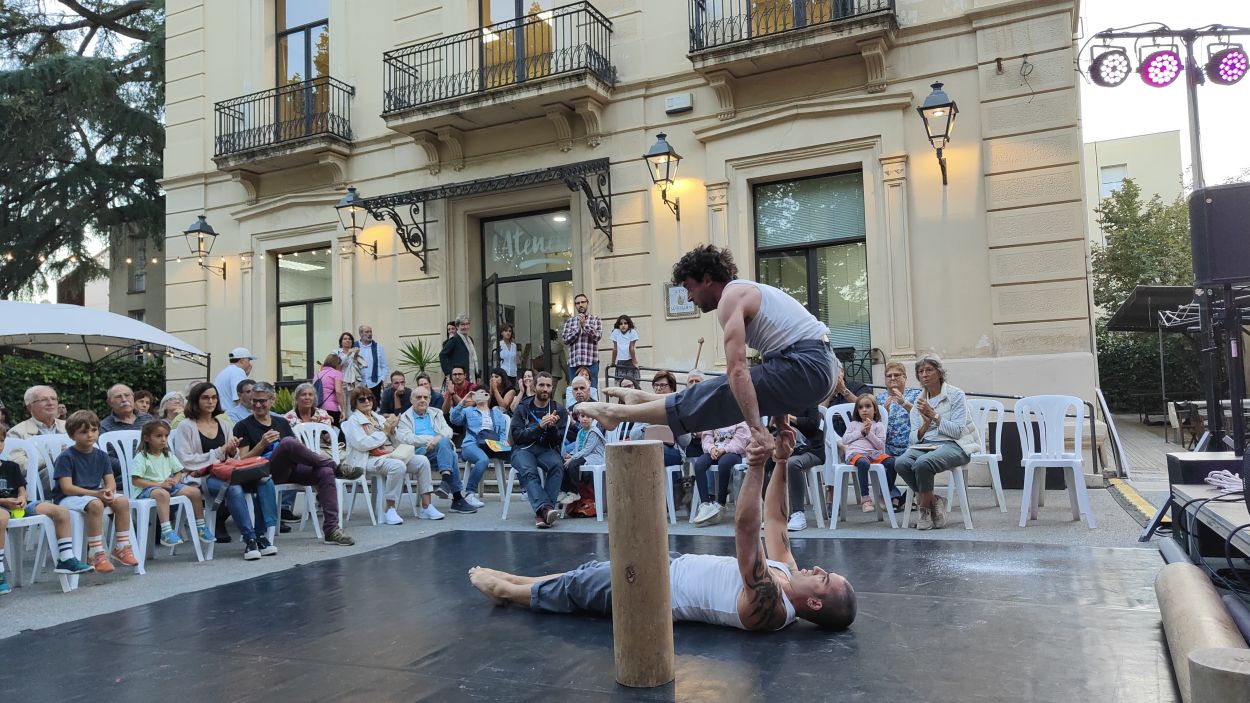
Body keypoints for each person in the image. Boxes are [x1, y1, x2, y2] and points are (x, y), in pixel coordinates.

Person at [469, 422, 857, 632]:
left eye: (824, 579)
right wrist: (783, 460)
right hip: (673, 564)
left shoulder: (771, 606)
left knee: (578, 589)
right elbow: (775, 520)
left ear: (816, 603)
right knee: (584, 574)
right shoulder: (787, 575)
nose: (818, 569)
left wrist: (756, 466)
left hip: (655, 590)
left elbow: (746, 532)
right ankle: (515, 581)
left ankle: (506, 591)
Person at [580, 245, 837, 460]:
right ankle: (644, 400)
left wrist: (757, 429)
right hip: (816, 368)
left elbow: (737, 371)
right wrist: (781, 425)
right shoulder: (748, 293)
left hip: (809, 366)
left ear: (706, 278)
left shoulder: (731, 298)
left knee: (724, 390)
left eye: (689, 288)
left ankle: (619, 413)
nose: (689, 297)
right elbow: (772, 366)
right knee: (732, 392)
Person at [233, 382, 354, 546]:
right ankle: (335, 466)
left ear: (272, 400)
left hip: (290, 469)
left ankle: (332, 530)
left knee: (325, 473)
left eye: (262, 401)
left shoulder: (281, 422)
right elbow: (243, 460)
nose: (258, 405)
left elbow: (297, 451)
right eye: (254, 401)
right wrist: (261, 445)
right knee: (288, 442)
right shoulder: (243, 426)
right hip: (264, 471)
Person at [172, 382, 278, 560]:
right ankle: (249, 538)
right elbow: (185, 460)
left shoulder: (223, 423)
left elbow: (234, 459)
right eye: (205, 397)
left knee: (265, 480)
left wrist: (231, 450)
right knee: (233, 488)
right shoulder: (186, 426)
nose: (211, 401)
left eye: (214, 397)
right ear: (195, 401)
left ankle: (261, 534)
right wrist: (221, 451)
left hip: (228, 471)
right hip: (202, 476)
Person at [0, 423, 95, 591]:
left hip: (19, 505)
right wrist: (4, 502)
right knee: (2, 517)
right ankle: (0, 571)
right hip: (3, 508)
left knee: (60, 511)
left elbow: (22, 490)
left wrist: (21, 498)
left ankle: (66, 558)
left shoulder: (10, 466)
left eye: (0, 441)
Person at [893, 354, 977, 531]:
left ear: (939, 373)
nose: (924, 374)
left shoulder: (956, 395)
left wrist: (935, 416)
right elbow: (913, 438)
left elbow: (957, 431)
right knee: (901, 463)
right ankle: (934, 501)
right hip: (925, 445)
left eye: (929, 370)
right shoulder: (919, 401)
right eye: (920, 371)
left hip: (955, 444)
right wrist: (925, 424)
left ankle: (924, 511)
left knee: (923, 464)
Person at [51, 410, 139, 573]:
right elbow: (67, 488)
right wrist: (96, 494)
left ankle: (122, 547)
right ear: (72, 435)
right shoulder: (66, 457)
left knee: (122, 501)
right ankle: (96, 553)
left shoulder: (101, 455)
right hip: (67, 498)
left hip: (93, 494)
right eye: (83, 432)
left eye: (93, 430)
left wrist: (108, 491)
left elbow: (110, 481)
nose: (90, 435)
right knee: (96, 505)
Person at [342, 387, 442, 524]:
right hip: (367, 458)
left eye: (369, 398)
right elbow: (362, 444)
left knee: (422, 461)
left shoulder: (378, 417)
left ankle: (426, 506)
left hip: (389, 454)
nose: (367, 401)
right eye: (362, 399)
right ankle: (389, 508)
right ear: (355, 403)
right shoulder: (353, 421)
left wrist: (393, 430)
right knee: (397, 466)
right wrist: (384, 432)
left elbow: (396, 441)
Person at [130, 420, 212, 546]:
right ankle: (166, 532)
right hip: (146, 489)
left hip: (166, 486)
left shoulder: (167, 455)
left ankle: (200, 526)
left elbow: (179, 472)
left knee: (195, 492)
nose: (163, 439)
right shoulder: (142, 457)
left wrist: (175, 480)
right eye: (158, 436)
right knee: (162, 494)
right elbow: (136, 481)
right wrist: (159, 485)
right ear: (146, 438)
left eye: (166, 436)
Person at [397, 386, 476, 514]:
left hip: (438, 452)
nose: (422, 400)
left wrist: (437, 441)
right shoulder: (405, 418)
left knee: (447, 447)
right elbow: (407, 438)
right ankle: (456, 497)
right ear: (411, 400)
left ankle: (447, 480)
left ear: (430, 399)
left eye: (425, 397)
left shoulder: (436, 413)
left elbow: (448, 431)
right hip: (419, 454)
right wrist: (433, 440)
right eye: (418, 397)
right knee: (451, 453)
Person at [509, 372, 567, 529]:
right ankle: (546, 509)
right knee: (529, 471)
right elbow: (517, 436)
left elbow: (557, 441)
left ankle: (542, 512)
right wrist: (539, 426)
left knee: (557, 465)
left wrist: (552, 428)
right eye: (541, 385)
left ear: (552, 388)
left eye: (548, 386)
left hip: (545, 449)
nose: (545, 389)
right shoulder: (522, 408)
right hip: (522, 450)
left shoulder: (558, 410)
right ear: (534, 387)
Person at [876, 361, 922, 510]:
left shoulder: (916, 394)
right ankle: (892, 496)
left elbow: (921, 418)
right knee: (883, 460)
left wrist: (904, 403)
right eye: (888, 375)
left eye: (897, 375)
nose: (892, 378)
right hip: (887, 445)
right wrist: (884, 413)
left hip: (911, 444)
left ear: (905, 377)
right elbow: (875, 427)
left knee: (918, 460)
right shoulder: (878, 399)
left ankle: (911, 496)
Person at [838, 394, 894, 514]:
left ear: (874, 410)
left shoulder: (879, 426)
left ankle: (884, 495)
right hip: (856, 454)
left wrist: (869, 433)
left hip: (874, 454)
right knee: (863, 463)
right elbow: (845, 440)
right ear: (857, 411)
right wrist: (861, 432)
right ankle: (865, 499)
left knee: (892, 462)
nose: (864, 410)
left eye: (868, 406)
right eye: (860, 407)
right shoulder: (853, 425)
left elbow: (880, 445)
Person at [450, 389, 506, 509]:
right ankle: (469, 494)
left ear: (488, 396)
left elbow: (502, 433)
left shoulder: (496, 413)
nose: (481, 396)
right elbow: (454, 419)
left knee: (515, 455)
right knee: (483, 460)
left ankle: (524, 490)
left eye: (483, 393)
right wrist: (464, 401)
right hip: (471, 444)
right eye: (477, 394)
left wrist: (502, 445)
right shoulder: (468, 411)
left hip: (491, 445)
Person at [691, 421, 751, 526]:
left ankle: (721, 503)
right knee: (699, 464)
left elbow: (740, 442)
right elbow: (706, 437)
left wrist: (724, 450)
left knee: (724, 464)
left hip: (733, 453)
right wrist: (712, 449)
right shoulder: (714, 418)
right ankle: (705, 504)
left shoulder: (740, 420)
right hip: (714, 451)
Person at [8, 385, 67, 481]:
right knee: (58, 471)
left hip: (75, 472)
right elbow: (18, 467)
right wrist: (50, 455)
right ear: (29, 407)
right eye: (43, 400)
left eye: (53, 399)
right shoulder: (16, 433)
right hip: (38, 483)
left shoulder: (69, 427)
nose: (50, 403)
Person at [783, 405, 826, 532]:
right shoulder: (779, 401)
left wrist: (790, 418)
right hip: (786, 449)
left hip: (812, 450)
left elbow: (813, 424)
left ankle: (798, 513)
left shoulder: (810, 400)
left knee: (792, 464)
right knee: (763, 463)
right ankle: (775, 511)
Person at [100, 384, 156, 479]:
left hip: (155, 470)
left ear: (133, 398)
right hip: (127, 477)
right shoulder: (104, 426)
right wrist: (134, 466)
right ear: (109, 402)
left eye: (127, 395)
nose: (124, 399)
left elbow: (161, 443)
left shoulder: (148, 418)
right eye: (118, 396)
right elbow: (107, 457)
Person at [561, 292, 602, 389]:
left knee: (592, 390)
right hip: (574, 362)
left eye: (583, 302)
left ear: (587, 303)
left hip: (591, 361)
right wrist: (578, 329)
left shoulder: (595, 319)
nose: (580, 305)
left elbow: (597, 336)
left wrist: (585, 326)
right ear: (575, 305)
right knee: (574, 390)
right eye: (578, 303)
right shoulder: (570, 321)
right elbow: (566, 340)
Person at [561, 411, 605, 499]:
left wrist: (572, 458)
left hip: (593, 456)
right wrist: (571, 454)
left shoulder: (593, 432)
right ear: (578, 418)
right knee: (562, 462)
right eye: (582, 416)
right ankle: (565, 490)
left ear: (592, 419)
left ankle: (574, 492)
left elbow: (586, 450)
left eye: (588, 417)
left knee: (573, 464)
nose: (585, 419)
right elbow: (578, 446)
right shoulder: (581, 431)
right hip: (584, 456)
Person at [440, 314, 480, 383]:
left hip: (471, 377)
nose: (465, 327)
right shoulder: (454, 339)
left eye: (467, 324)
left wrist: (478, 375)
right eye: (462, 325)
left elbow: (473, 358)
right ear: (457, 326)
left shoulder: (470, 339)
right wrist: (448, 373)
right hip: (459, 378)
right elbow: (442, 355)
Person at [213, 347, 255, 411]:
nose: (250, 364)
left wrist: (245, 376)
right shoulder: (238, 372)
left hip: (222, 414)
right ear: (242, 360)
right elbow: (240, 398)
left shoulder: (225, 371)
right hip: (232, 416)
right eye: (249, 360)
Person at [356, 324, 389, 400]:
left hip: (375, 383)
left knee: (375, 407)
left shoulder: (378, 347)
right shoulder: (355, 346)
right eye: (367, 332)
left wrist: (382, 379)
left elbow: (384, 366)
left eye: (370, 332)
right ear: (360, 334)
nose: (369, 334)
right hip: (359, 383)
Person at [313, 354, 347, 425]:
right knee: (338, 431)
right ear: (337, 364)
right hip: (332, 408)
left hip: (318, 408)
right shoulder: (337, 373)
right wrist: (343, 410)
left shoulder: (317, 374)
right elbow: (338, 392)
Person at [609, 314, 640, 383]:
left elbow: (631, 348)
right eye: (621, 324)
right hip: (621, 362)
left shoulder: (632, 332)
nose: (623, 325)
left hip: (630, 361)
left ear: (629, 324)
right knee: (624, 384)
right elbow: (615, 349)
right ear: (618, 325)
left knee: (629, 383)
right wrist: (613, 362)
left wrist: (635, 362)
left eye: (625, 323)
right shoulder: (616, 332)